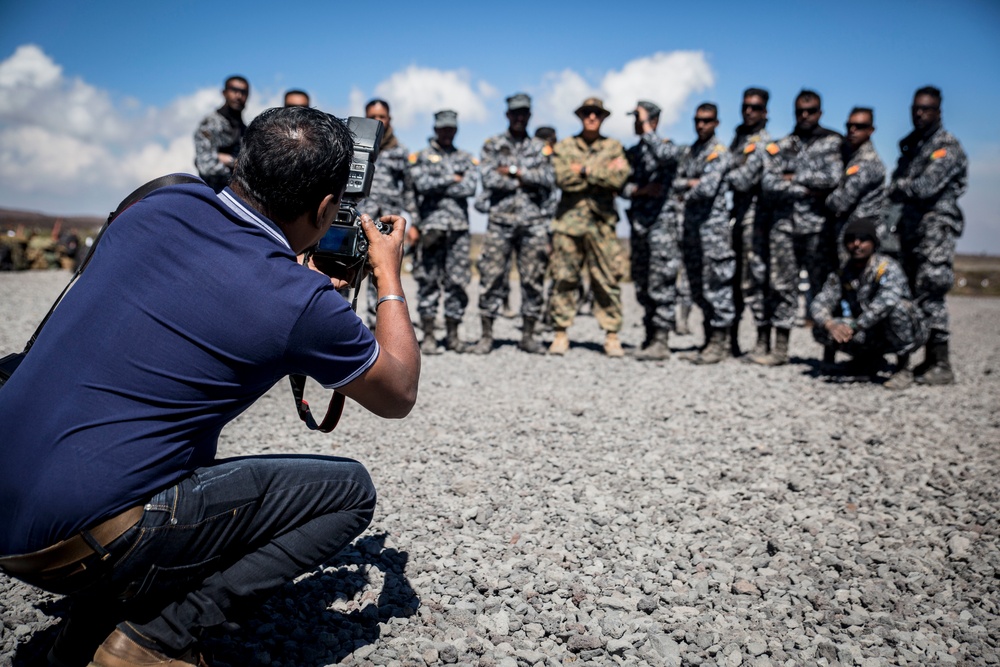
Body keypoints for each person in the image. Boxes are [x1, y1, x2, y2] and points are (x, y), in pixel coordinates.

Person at [0, 106, 420, 667]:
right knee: (349, 493)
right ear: (325, 207)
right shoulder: (299, 301)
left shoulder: (159, 201)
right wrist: (388, 272)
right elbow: (398, 391)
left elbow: (215, 273)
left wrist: (293, 270)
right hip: (72, 543)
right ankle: (156, 639)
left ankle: (89, 627)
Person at [753, 89, 843, 366]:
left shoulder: (832, 142)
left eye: (811, 111)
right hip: (784, 228)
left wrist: (794, 178)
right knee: (782, 286)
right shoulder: (782, 144)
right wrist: (807, 187)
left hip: (818, 228)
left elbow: (833, 178)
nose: (805, 116)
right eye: (800, 111)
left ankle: (829, 352)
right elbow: (768, 182)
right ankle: (780, 350)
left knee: (823, 288)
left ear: (820, 112)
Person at [887, 86, 967, 385]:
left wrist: (899, 187)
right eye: (916, 108)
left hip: (935, 229)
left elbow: (923, 188)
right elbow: (904, 184)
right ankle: (924, 360)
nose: (919, 114)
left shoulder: (946, 147)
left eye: (926, 108)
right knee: (912, 292)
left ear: (938, 111)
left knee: (931, 290)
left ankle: (941, 363)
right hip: (911, 230)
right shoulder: (916, 147)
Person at [471, 93, 555, 354]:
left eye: (524, 113)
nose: (520, 117)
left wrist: (514, 172)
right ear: (508, 115)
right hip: (501, 221)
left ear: (529, 116)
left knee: (533, 278)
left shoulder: (541, 147)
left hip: (533, 223)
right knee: (492, 276)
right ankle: (486, 336)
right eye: (515, 113)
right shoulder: (492, 144)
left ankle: (528, 335)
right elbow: (488, 178)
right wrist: (528, 179)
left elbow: (549, 178)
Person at [548, 97, 631, 357]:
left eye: (596, 113)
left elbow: (619, 178)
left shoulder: (613, 146)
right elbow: (562, 179)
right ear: (580, 116)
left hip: (602, 224)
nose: (592, 117)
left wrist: (583, 170)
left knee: (606, 279)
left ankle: (611, 334)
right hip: (569, 223)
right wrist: (600, 173)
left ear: (603, 117)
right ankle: (560, 333)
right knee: (564, 278)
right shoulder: (565, 146)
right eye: (587, 113)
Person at [810, 218, 926, 389]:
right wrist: (830, 324)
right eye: (851, 240)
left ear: (874, 243)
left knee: (899, 309)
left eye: (863, 239)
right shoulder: (843, 272)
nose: (856, 244)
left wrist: (856, 325)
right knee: (822, 324)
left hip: (892, 330)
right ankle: (862, 361)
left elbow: (885, 303)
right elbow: (821, 301)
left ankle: (903, 368)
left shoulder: (887, 267)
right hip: (865, 331)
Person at [409, 110, 479, 354]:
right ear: (436, 128)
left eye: (451, 128)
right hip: (431, 229)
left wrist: (440, 182)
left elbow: (470, 188)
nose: (447, 132)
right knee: (428, 281)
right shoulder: (422, 156)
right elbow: (421, 184)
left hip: (458, 229)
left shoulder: (466, 157)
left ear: (456, 129)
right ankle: (428, 336)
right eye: (443, 128)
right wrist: (452, 178)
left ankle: (453, 336)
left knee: (457, 282)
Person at [671, 103, 736, 364]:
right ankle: (709, 340)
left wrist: (686, 188)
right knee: (698, 288)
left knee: (718, 287)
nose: (701, 125)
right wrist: (689, 183)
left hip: (714, 230)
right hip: (692, 231)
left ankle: (721, 344)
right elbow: (674, 182)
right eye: (698, 120)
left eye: (707, 121)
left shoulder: (719, 152)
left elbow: (707, 189)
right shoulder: (691, 152)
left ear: (716, 123)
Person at [622, 100, 684, 360]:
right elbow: (621, 185)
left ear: (654, 122)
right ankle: (649, 337)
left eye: (641, 119)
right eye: (636, 120)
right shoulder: (633, 153)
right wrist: (640, 190)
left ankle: (661, 340)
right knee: (642, 282)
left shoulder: (666, 147)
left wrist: (648, 130)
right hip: (639, 226)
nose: (636, 124)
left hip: (662, 227)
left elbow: (667, 157)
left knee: (662, 282)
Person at [359, 99, 420, 329]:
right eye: (372, 117)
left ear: (389, 119)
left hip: (386, 224)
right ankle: (342, 332)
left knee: (381, 277)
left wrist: (414, 224)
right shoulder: (354, 147)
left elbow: (409, 190)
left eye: (381, 116)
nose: (377, 121)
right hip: (359, 220)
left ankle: (379, 333)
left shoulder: (400, 151)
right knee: (346, 277)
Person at [725, 87, 773, 358]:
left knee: (753, 281)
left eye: (755, 107)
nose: (748, 111)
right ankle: (731, 340)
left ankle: (762, 341)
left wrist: (721, 171)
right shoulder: (739, 138)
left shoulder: (763, 142)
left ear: (765, 111)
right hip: (738, 217)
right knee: (733, 281)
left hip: (755, 220)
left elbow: (743, 180)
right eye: (746, 106)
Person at [826, 107, 886, 267]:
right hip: (846, 235)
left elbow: (840, 202)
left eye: (859, 126)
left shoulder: (867, 162)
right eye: (849, 126)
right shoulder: (850, 156)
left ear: (871, 130)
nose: (852, 130)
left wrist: (820, 193)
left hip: (859, 239)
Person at [194, 75, 250, 192]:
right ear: (224, 93)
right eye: (234, 90)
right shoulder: (210, 124)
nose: (238, 96)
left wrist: (225, 159)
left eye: (243, 92)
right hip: (213, 195)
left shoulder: (246, 131)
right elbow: (205, 165)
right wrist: (234, 163)